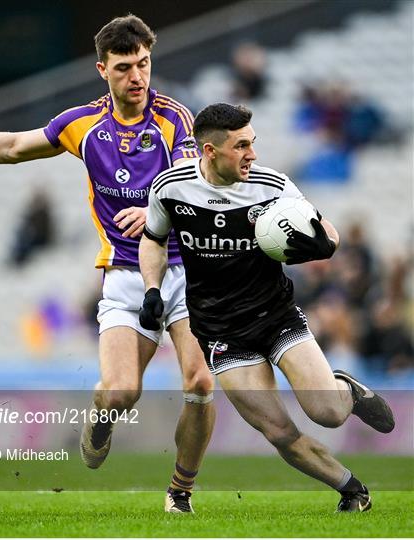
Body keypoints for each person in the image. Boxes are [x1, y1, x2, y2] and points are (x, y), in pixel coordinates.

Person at [0, 15, 215, 513]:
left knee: (199, 382)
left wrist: (156, 205)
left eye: (145, 64)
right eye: (126, 67)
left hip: (182, 271)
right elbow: (12, 147)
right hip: (125, 276)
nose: (138, 76)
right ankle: (102, 411)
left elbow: (191, 181)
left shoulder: (175, 117)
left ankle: (180, 494)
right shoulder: (82, 125)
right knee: (122, 392)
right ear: (102, 70)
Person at [138, 103, 395, 513]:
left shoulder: (273, 186)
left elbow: (326, 231)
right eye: (241, 146)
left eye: (252, 143)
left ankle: (344, 388)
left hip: (275, 317)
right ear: (209, 151)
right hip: (220, 331)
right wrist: (152, 289)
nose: (252, 154)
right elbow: (153, 238)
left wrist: (325, 245)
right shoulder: (170, 188)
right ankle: (353, 491)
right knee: (278, 432)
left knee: (327, 412)